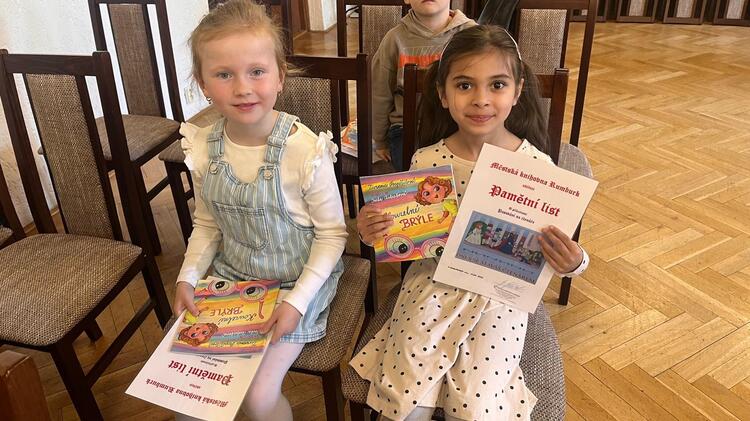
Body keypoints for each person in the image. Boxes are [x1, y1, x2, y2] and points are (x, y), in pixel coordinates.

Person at [352, 25, 590, 421]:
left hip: (500, 299)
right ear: (443, 94)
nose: (481, 99)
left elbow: (560, 251)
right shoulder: (426, 160)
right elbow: (404, 237)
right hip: (430, 288)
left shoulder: (537, 168)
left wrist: (574, 260)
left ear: (517, 91)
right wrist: (372, 229)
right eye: (465, 85)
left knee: (477, 407)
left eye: (497, 84)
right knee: (407, 401)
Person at [172, 1, 348, 420]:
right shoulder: (203, 146)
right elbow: (208, 223)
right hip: (231, 279)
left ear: (280, 76)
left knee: (258, 395)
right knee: (186, 392)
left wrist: (297, 302)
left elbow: (332, 234)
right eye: (224, 74)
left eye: (256, 71)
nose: (242, 88)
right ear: (202, 83)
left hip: (296, 282)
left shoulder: (305, 150)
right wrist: (187, 276)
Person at [371, 0, 475, 172]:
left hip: (457, 125)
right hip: (406, 128)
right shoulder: (394, 39)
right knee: (414, 179)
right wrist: (380, 140)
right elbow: (380, 93)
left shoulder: (472, 35)